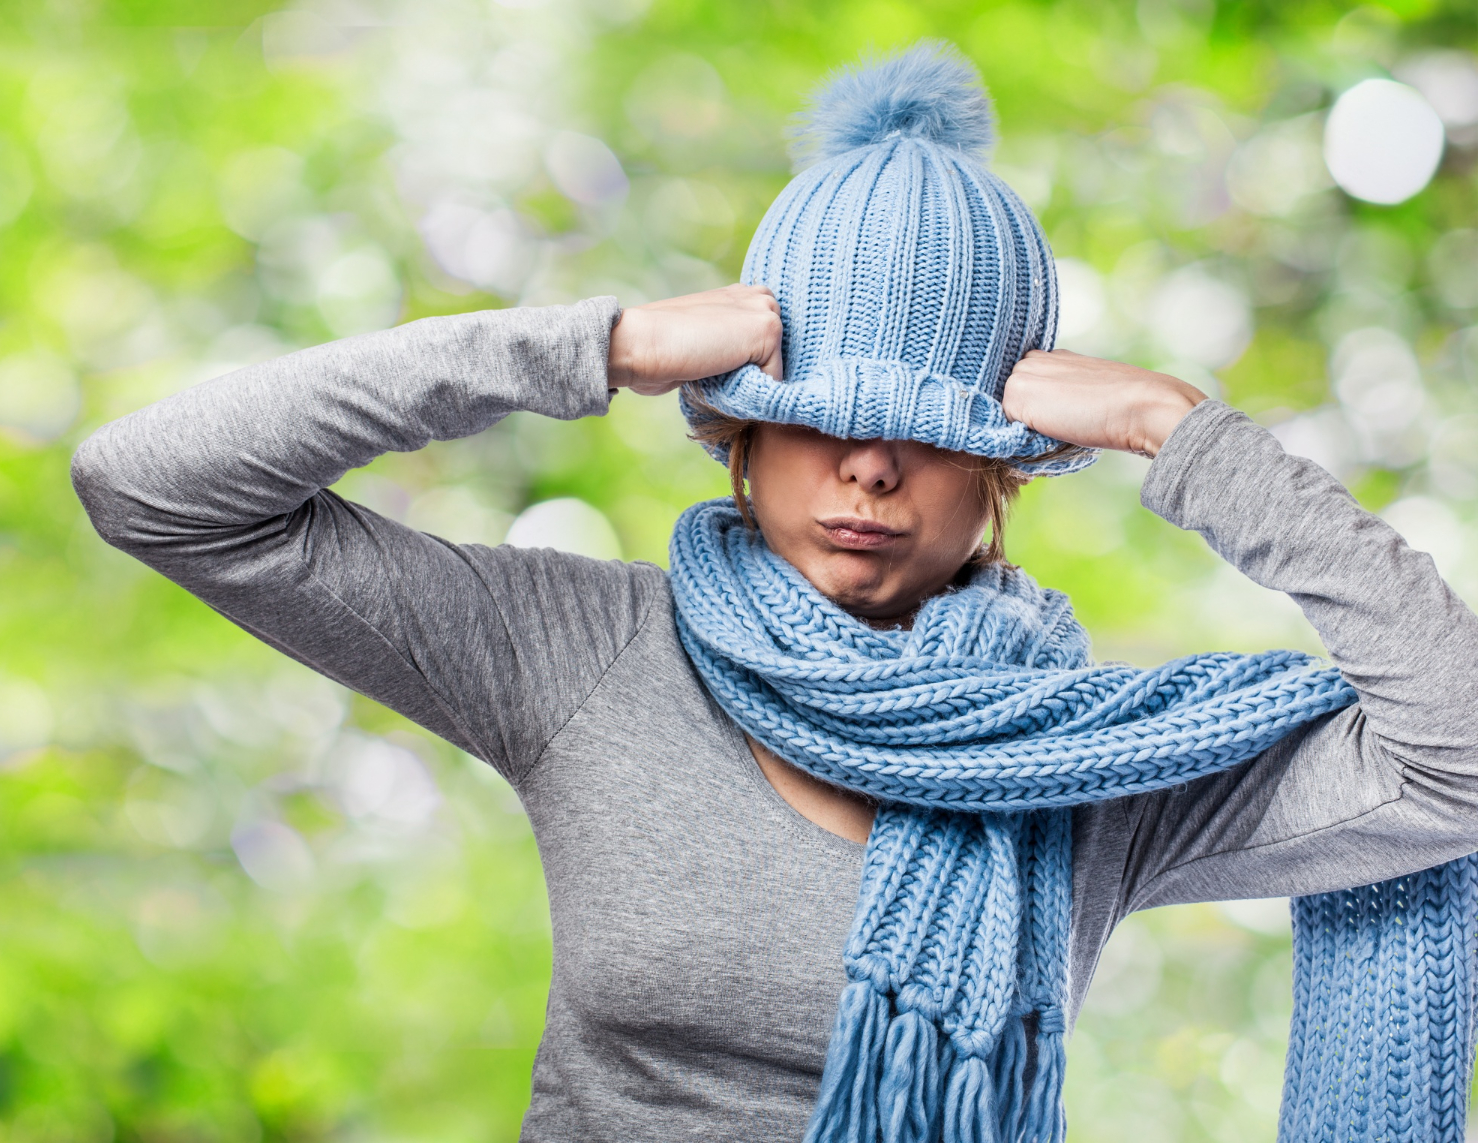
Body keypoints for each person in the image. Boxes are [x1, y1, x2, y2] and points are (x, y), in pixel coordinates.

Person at [73, 44, 1478, 1143]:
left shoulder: (1089, 764)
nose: (867, 467)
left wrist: (1185, 434)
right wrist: (593, 346)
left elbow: (1456, 762)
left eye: (927, 429)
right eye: (818, 419)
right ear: (736, 437)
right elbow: (152, 483)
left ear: (1006, 476)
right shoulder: (585, 651)